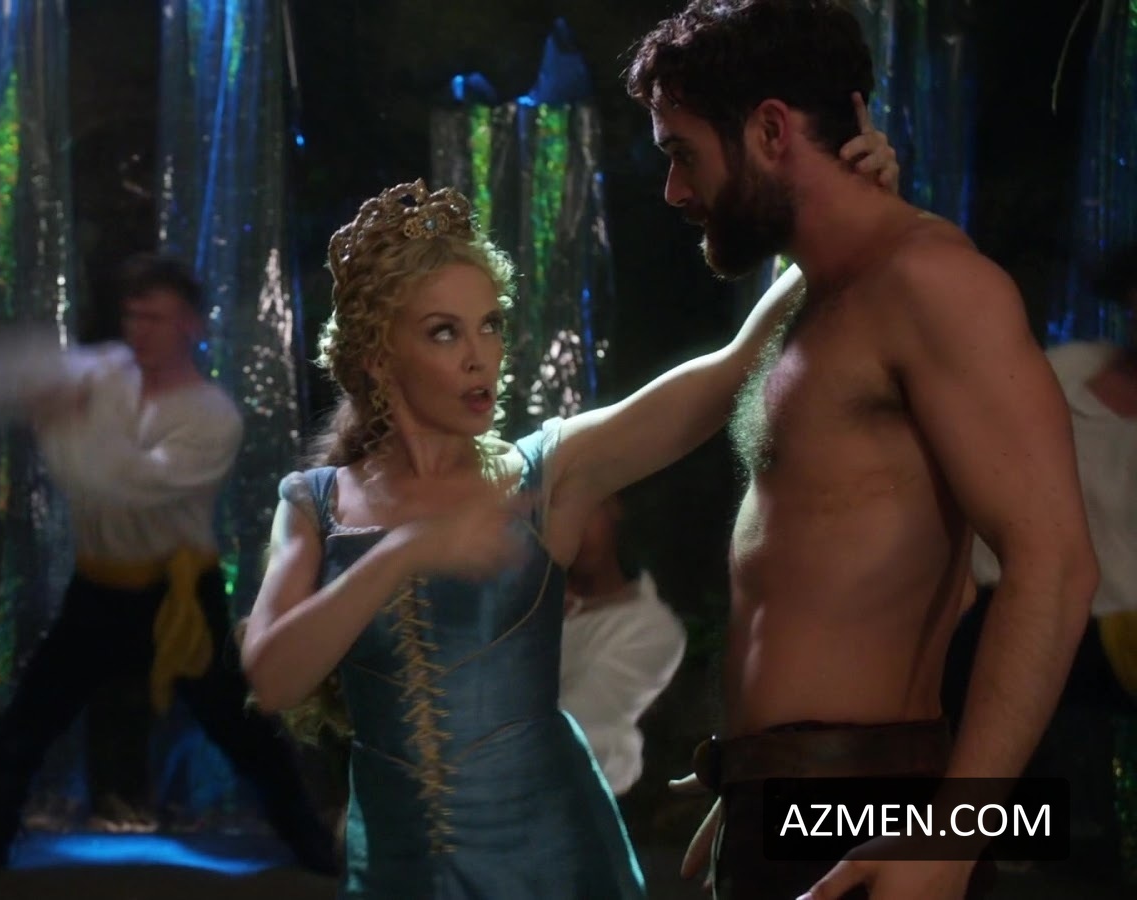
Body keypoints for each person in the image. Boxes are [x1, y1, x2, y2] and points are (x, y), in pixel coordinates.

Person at [240, 117, 896, 897]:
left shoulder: (546, 473)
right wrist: (406, 551)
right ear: (379, 356)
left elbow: (730, 371)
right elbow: (273, 680)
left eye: (489, 325)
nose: (480, 356)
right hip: (397, 872)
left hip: (550, 862)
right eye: (444, 333)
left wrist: (847, 210)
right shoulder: (314, 504)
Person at [625, 2, 1100, 898]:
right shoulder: (813, 297)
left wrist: (952, 836)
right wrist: (761, 777)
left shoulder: (933, 284)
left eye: (683, 153)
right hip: (794, 807)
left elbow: (1057, 565)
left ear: (770, 130)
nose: (676, 192)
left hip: (879, 812)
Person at [0, 254, 337, 881]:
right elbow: (11, 370)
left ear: (191, 325)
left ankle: (307, 839)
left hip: (179, 592)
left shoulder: (212, 416)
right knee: (29, 719)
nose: (141, 330)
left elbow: (125, 486)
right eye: (133, 316)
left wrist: (61, 422)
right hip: (100, 587)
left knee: (242, 730)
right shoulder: (105, 372)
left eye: (158, 317)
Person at [944, 241, 1137, 877]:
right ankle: (986, 836)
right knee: (972, 648)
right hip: (1027, 601)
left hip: (1123, 630)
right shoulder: (1064, 374)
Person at [558, 496, 686, 797]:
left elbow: (576, 733)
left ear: (612, 504)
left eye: (582, 508)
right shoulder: (515, 603)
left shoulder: (651, 629)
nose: (572, 528)